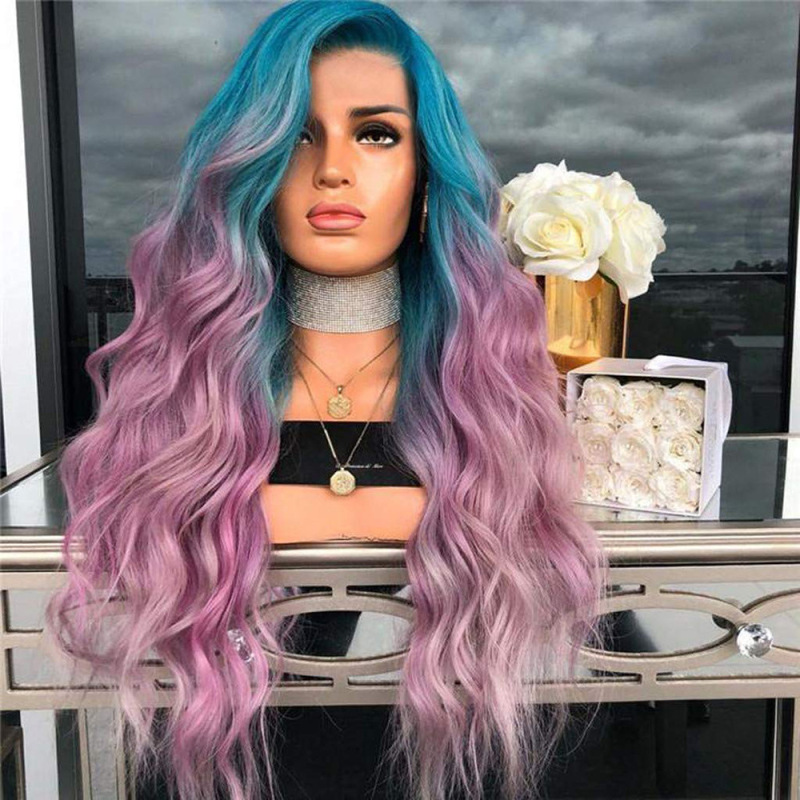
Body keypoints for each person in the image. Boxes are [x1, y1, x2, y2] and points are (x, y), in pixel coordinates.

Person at [44, 3, 610, 800]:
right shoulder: (187, 413)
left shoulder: (485, 411)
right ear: (251, 168)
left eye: (376, 134)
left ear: (426, 172)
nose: (333, 169)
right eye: (298, 136)